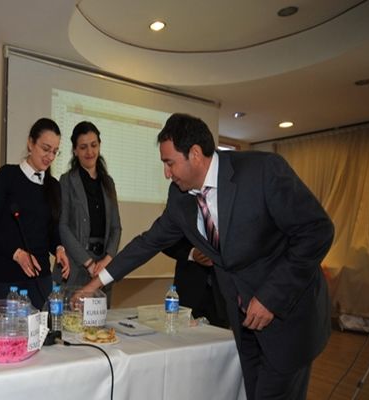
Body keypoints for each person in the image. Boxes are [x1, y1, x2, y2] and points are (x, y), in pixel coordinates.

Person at [80, 113, 334, 400]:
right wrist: (95, 284)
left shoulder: (262, 171)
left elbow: (317, 231)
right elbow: (148, 243)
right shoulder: (180, 197)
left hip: (287, 314)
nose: (166, 173)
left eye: (169, 163)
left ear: (195, 154)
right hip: (244, 321)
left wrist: (271, 297)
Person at [0, 117, 70, 309]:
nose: (50, 156)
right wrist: (17, 254)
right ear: (30, 143)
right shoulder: (7, 176)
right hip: (5, 278)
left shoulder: (53, 186)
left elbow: (52, 229)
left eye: (55, 151)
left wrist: (59, 248)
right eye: (45, 149)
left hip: (40, 281)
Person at [56, 121, 121, 306]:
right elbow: (63, 226)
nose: (89, 152)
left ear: (99, 145)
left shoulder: (108, 182)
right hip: (75, 266)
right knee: (71, 319)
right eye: (83, 147)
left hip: (103, 267)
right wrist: (89, 263)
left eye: (94, 145)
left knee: (101, 322)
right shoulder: (66, 181)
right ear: (75, 151)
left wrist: (107, 259)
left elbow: (116, 227)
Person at [162, 238, 229, 328]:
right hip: (190, 289)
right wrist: (191, 253)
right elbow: (162, 239)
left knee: (223, 334)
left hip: (224, 292)